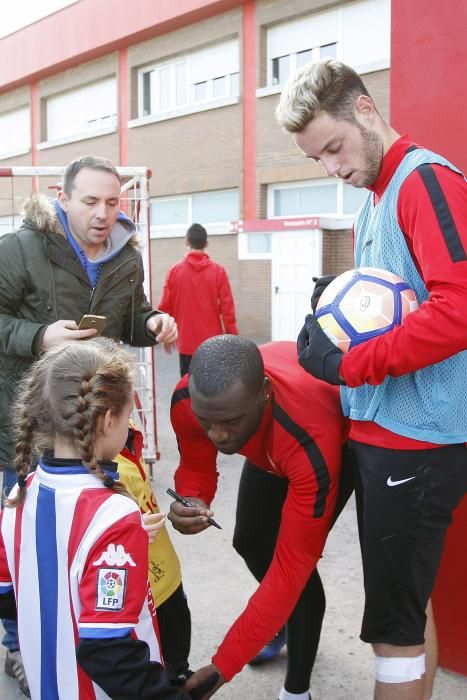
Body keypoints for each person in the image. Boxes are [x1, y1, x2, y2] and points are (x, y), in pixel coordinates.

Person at [276, 57, 467, 700]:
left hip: (416, 444)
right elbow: (398, 299)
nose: (332, 166)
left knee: (393, 627)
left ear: (365, 110)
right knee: (406, 605)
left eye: (334, 147)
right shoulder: (376, 196)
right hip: (385, 432)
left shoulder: (424, 181)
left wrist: (351, 363)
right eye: (318, 159)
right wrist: (336, 308)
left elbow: (460, 307)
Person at [0, 154, 177, 695]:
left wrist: (153, 322)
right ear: (63, 197)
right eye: (91, 201)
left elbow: (131, 315)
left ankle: (94, 625)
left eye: (113, 202)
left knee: (91, 535)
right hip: (30, 425)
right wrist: (39, 337)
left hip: (94, 424)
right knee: (23, 543)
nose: (103, 213)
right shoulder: (20, 249)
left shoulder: (127, 255)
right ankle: (21, 644)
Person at [0, 338, 194, 699]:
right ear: (108, 420)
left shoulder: (18, 496)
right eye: (128, 413)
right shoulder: (116, 516)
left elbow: (6, 594)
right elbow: (107, 649)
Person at [167, 335, 351, 700]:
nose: (217, 435)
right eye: (207, 422)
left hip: (320, 437)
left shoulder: (311, 442)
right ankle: (278, 620)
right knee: (249, 541)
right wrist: (191, 496)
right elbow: (195, 465)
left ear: (263, 392)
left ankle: (297, 690)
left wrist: (223, 666)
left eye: (229, 422)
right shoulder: (190, 399)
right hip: (270, 436)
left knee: (296, 577)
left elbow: (291, 566)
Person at [116, 421, 192, 686]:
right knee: (159, 672)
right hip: (145, 598)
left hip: (167, 574)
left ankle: (179, 675)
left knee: (178, 659)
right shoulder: (103, 469)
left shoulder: (123, 431)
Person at [158, 223, 238, 376]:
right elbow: (228, 310)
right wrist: (233, 339)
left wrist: (165, 334)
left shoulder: (174, 271)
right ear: (206, 244)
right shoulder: (218, 272)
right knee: (213, 390)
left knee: (187, 390)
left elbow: (165, 307)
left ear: (186, 242)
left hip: (186, 344)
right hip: (213, 344)